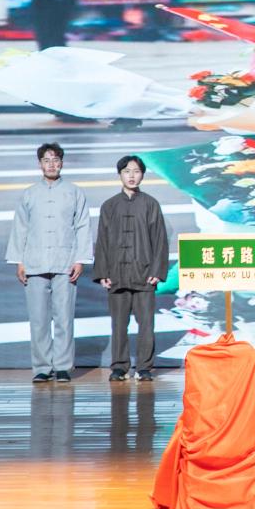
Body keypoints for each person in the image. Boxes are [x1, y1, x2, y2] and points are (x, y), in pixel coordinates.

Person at [5, 142, 92, 383]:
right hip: (34, 262)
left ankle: (63, 367)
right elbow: (20, 227)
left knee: (64, 317)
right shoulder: (30, 193)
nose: (51, 164)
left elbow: (83, 226)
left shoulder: (74, 192)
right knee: (39, 319)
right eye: (46, 160)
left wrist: (80, 259)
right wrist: (19, 261)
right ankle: (42, 367)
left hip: (66, 262)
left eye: (55, 160)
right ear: (40, 164)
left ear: (62, 163)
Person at [92, 155, 170, 382]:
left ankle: (144, 367)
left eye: (136, 171)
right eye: (127, 171)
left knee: (146, 324)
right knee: (119, 324)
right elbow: (102, 240)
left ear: (142, 175)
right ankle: (119, 367)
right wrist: (102, 273)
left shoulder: (150, 204)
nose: (132, 176)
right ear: (120, 175)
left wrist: (157, 271)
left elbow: (160, 240)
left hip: (144, 274)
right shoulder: (109, 205)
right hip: (116, 273)